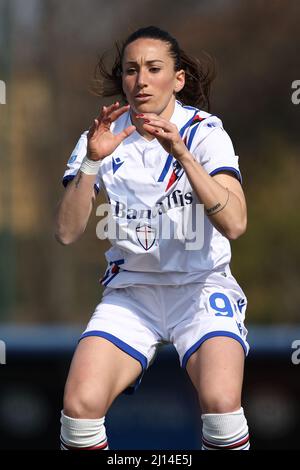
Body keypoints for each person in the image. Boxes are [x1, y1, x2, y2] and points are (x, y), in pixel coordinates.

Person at [55, 25, 250, 451]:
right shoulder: (104, 136)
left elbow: (235, 224)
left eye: (153, 68)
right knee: (79, 407)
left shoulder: (204, 132)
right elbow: (67, 233)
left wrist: (182, 154)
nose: (140, 80)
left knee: (221, 404)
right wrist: (91, 162)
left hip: (200, 288)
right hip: (133, 293)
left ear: (177, 79)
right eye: (130, 70)